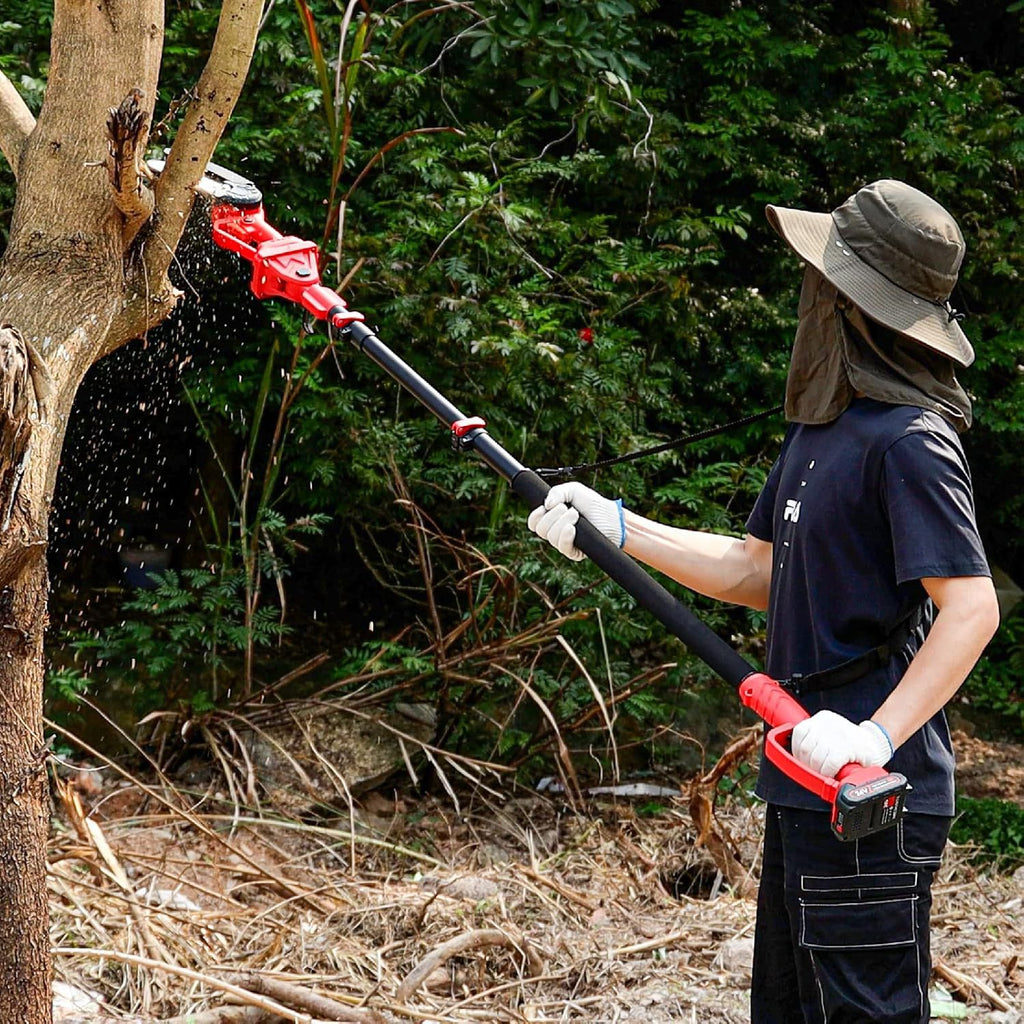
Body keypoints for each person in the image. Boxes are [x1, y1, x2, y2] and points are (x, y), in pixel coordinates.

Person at [527, 179, 1000, 1023]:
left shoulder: (911, 442)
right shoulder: (825, 429)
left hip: (868, 794)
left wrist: (872, 737)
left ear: (851, 299)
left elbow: (972, 607)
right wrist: (618, 528)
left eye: (821, 277)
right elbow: (759, 572)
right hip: (798, 782)